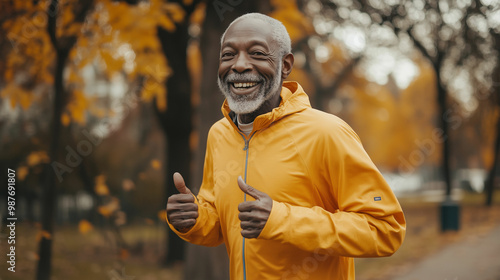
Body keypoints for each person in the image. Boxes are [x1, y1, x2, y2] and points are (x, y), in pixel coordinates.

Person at [166, 13, 406, 280]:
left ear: (285, 64)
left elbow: (385, 230)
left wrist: (281, 220)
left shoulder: (327, 133)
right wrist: (195, 218)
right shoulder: (218, 134)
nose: (240, 65)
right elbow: (221, 226)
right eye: (228, 55)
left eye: (257, 53)